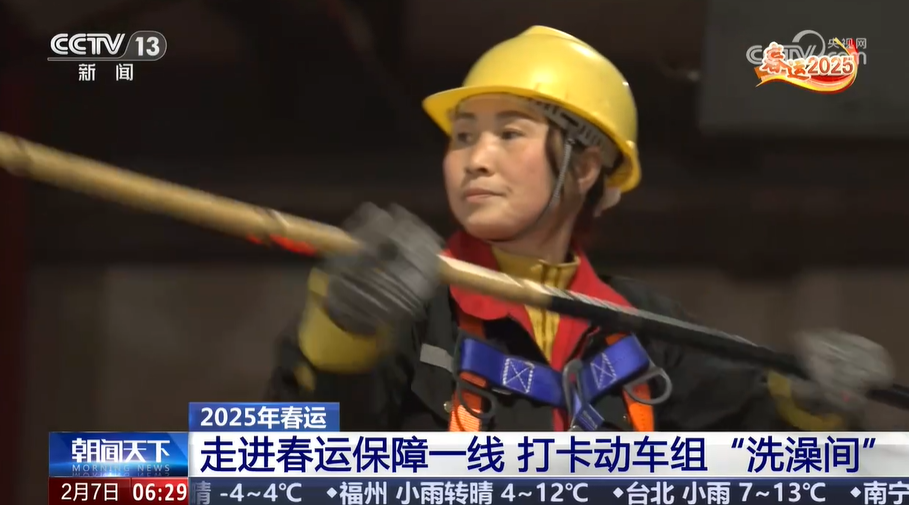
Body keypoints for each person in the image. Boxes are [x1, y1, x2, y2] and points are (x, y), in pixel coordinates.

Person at [266, 26, 866, 432]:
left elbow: (774, 456)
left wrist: (813, 402)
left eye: (509, 133)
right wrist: (341, 333)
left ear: (583, 168)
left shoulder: (645, 331)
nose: (475, 159)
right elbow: (288, 459)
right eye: (464, 135)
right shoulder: (412, 309)